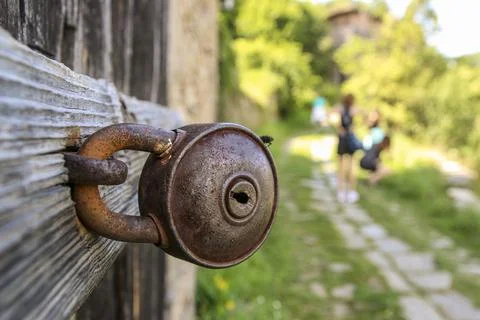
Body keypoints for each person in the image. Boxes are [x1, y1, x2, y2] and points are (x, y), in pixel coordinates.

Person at [333, 94, 363, 203]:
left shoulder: (340, 108)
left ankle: (341, 191)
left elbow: (330, 114)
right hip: (349, 139)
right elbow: (364, 114)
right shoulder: (353, 110)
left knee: (341, 166)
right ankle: (350, 191)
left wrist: (339, 128)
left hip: (342, 139)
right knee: (351, 166)